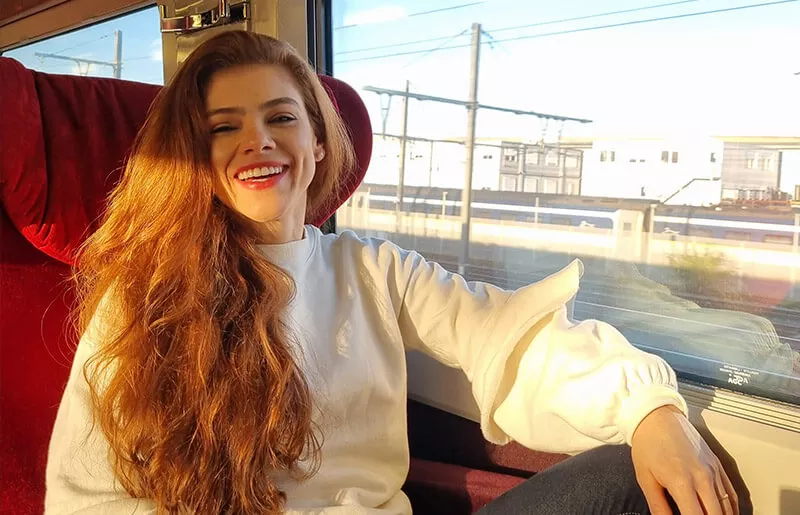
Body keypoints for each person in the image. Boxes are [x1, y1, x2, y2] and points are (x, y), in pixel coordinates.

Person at [45, 30, 739, 515]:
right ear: (198, 157)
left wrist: (652, 410)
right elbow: (88, 497)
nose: (256, 139)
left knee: (627, 479)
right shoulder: (142, 300)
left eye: (280, 116)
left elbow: (505, 341)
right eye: (224, 126)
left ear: (317, 145)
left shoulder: (372, 270)